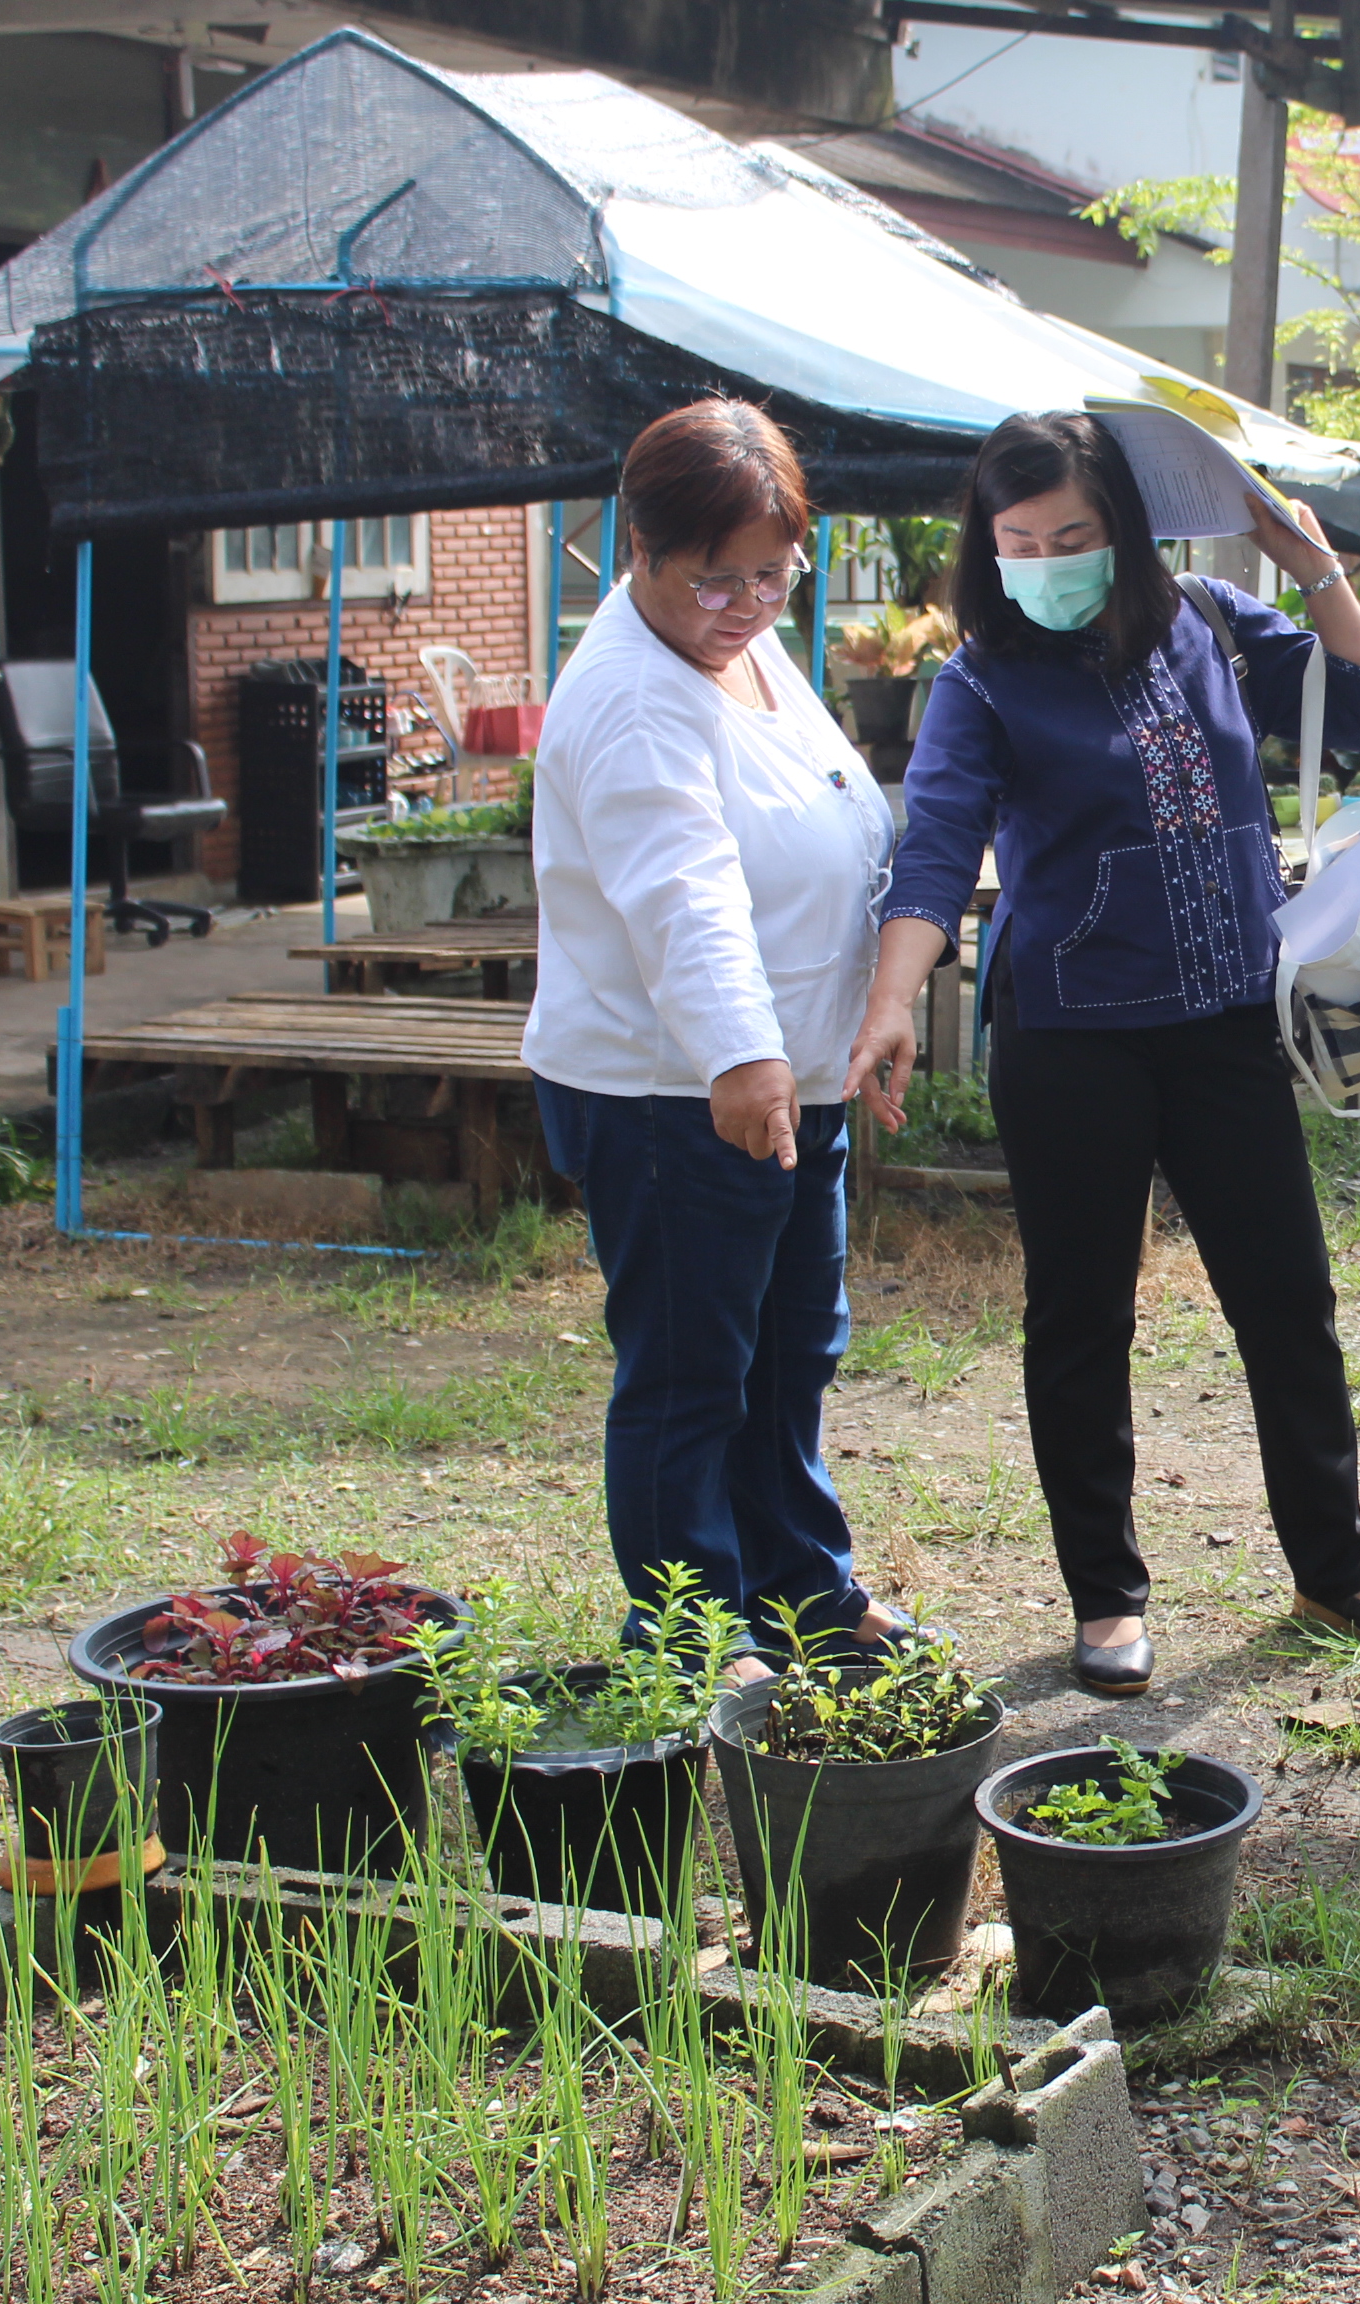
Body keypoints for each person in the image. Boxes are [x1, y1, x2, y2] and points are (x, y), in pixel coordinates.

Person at [869, 411, 1360, 1700]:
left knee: (1287, 1298)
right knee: (1082, 1318)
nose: (1048, 559)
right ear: (989, 548)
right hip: (1073, 1033)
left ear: (1124, 530)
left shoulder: (1207, 622)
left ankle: (1334, 1566)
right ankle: (1107, 1597)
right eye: (1019, 542)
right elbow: (937, 846)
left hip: (1228, 1017)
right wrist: (894, 998)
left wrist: (1315, 571)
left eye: (1073, 535)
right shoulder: (979, 679)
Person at [524, 397, 921, 1662]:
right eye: (716, 581)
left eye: (773, 574)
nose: (749, 603)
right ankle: (693, 1632)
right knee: (694, 1371)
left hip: (786, 1076)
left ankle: (802, 1588)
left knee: (789, 1353)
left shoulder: (738, 645)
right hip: (675, 1094)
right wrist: (744, 1059)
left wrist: (868, 1007)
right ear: (636, 548)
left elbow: (823, 816)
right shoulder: (636, 700)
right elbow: (682, 895)